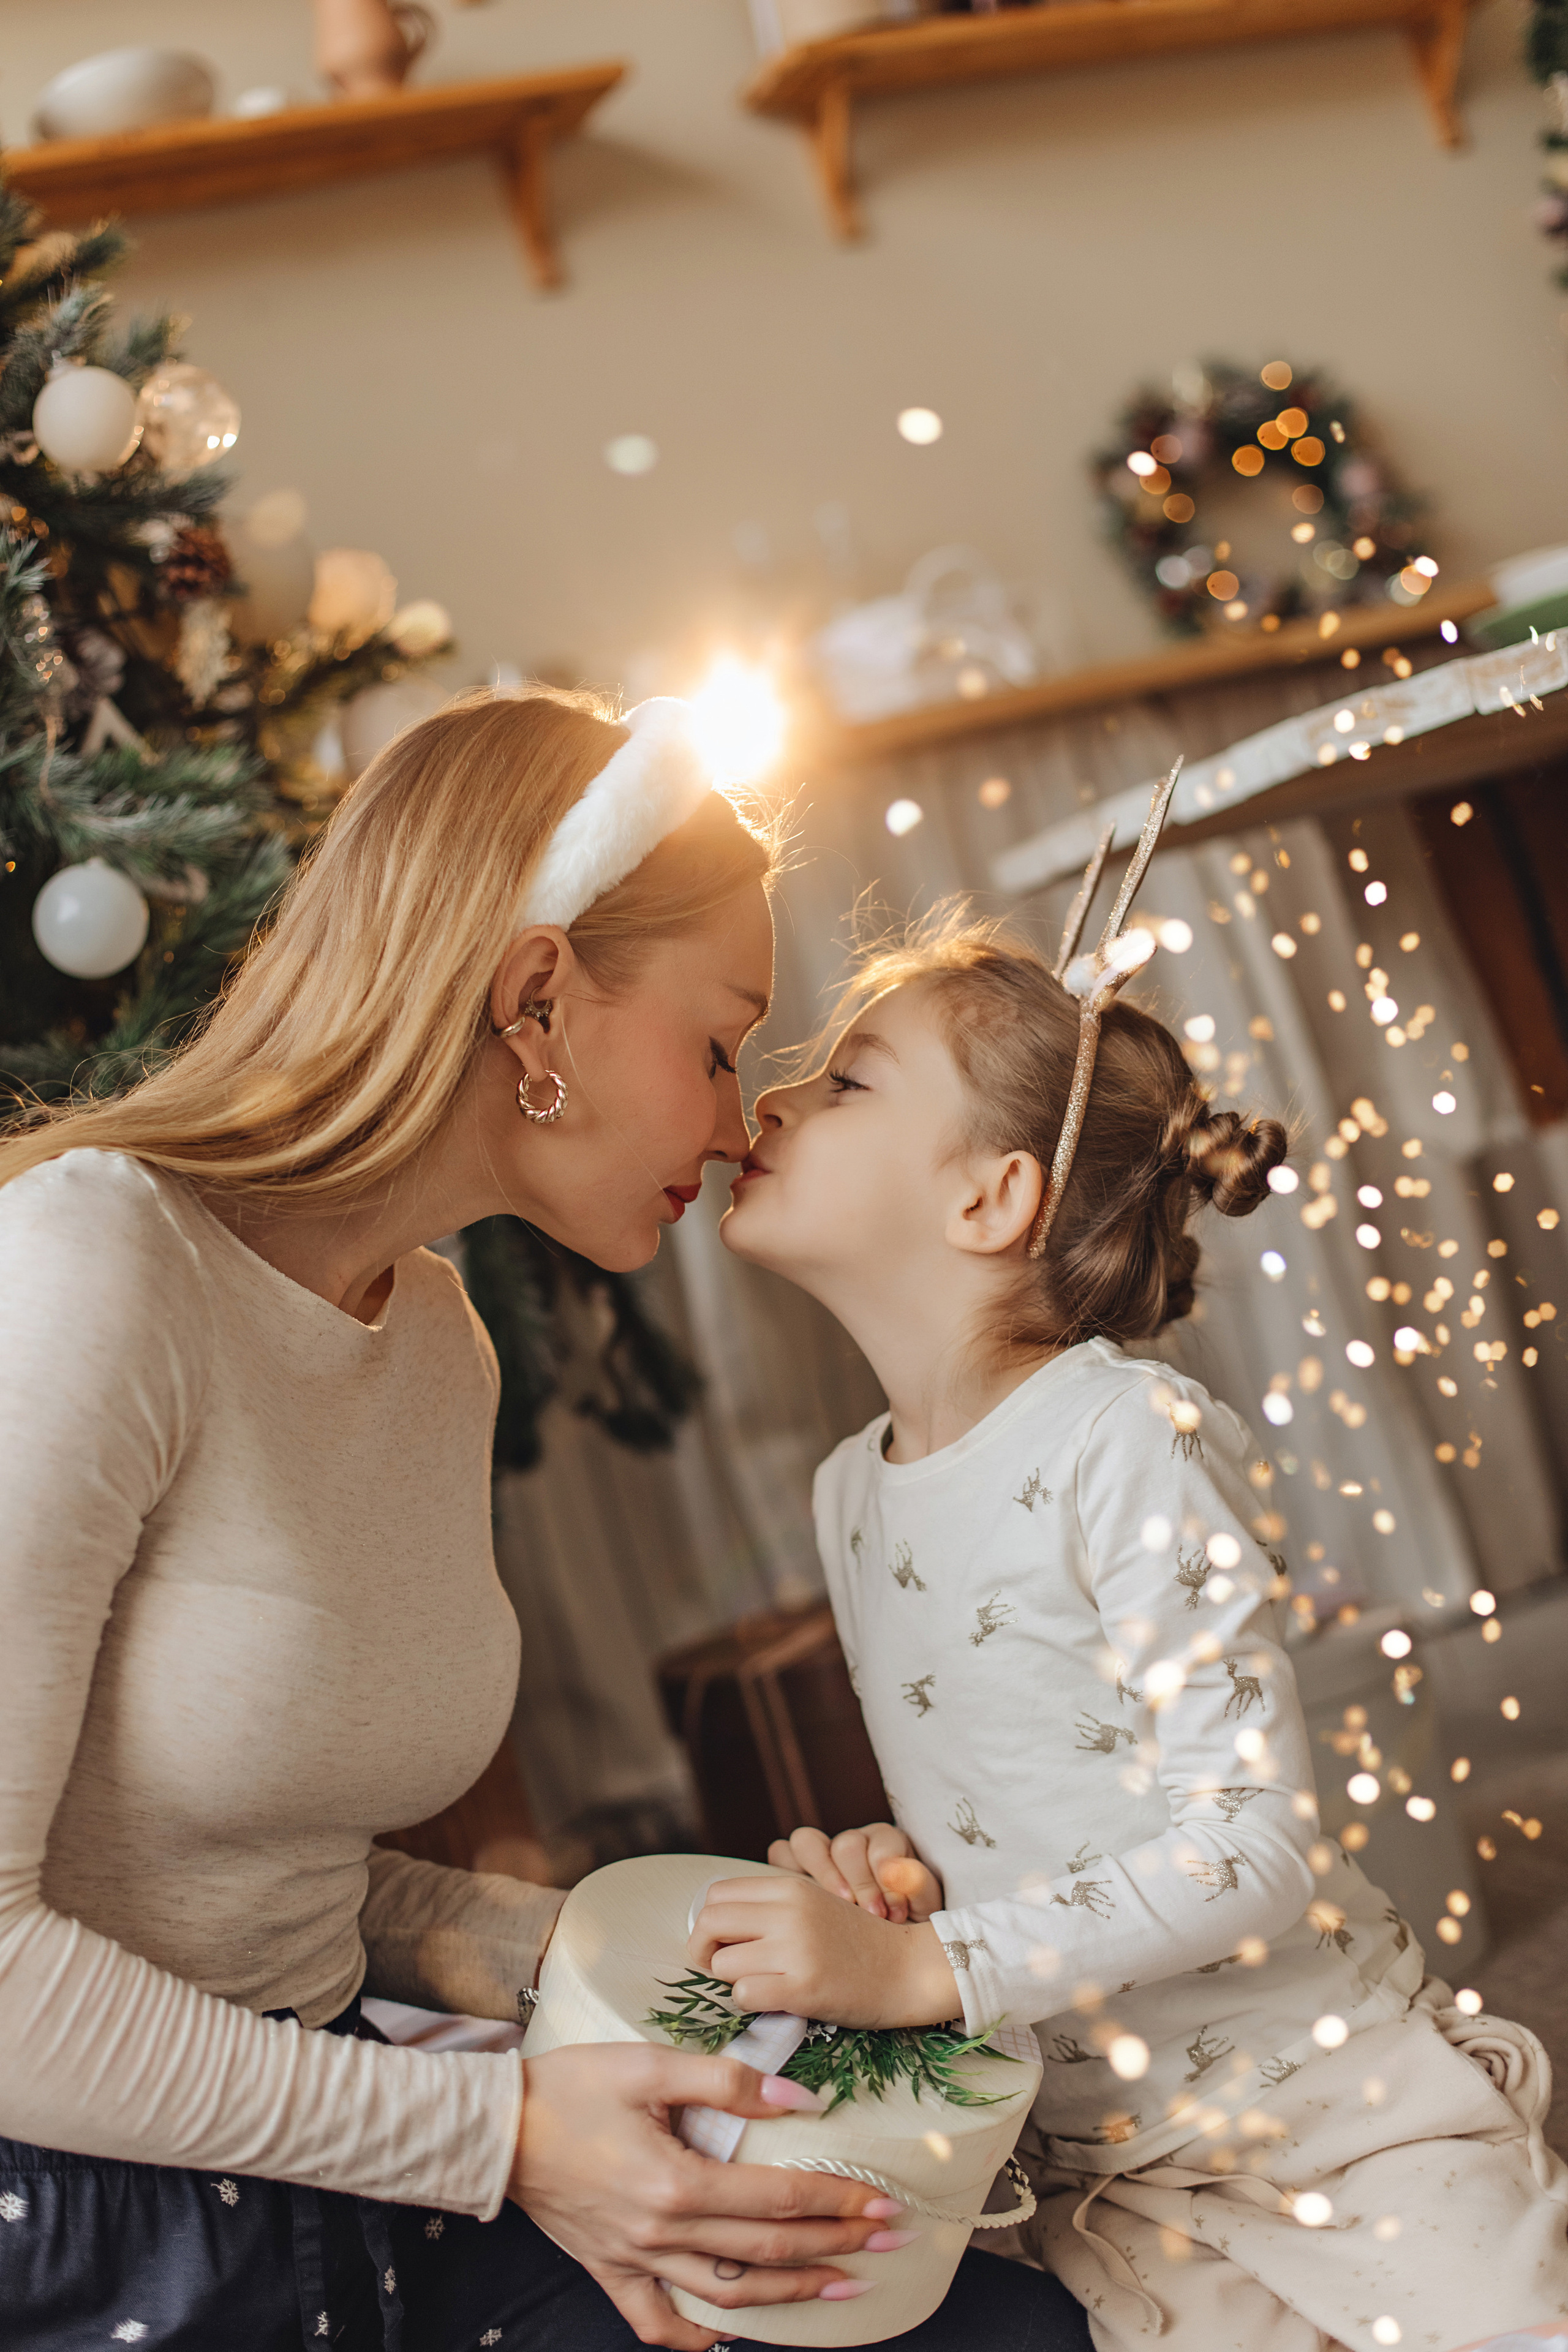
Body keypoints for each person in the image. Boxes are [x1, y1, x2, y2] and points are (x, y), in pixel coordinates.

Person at [0, 692, 1094, 2352]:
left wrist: (728, 1953)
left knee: (1001, 2332)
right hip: (83, 2240)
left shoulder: (438, 1342)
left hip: (333, 2169)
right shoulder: (93, 1271)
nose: (741, 1126)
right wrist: (508, 2136)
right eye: (722, 1042)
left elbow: (267, 1875)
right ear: (538, 1000)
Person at [701, 898, 1568, 2351]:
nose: (772, 1098)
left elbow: (1251, 1842)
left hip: (1332, 2125)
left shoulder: (1124, 1436)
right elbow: (1033, 1797)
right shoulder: (849, 1493)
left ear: (988, 1197)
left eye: (847, 1080)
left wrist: (934, 1971)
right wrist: (909, 1887)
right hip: (1108, 2186)